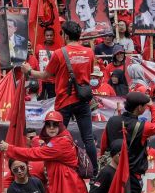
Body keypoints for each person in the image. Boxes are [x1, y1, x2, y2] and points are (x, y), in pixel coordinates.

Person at [0, 111, 88, 193]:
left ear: (61, 126)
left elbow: (36, 153)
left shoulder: (60, 142)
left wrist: (10, 148)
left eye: (55, 125)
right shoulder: (60, 138)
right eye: (48, 124)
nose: (51, 128)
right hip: (64, 185)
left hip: (66, 186)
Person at [21, 21, 98, 175]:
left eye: (62, 33)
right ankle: (93, 171)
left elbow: (45, 75)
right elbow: (88, 74)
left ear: (66, 35)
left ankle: (51, 168)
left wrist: (28, 71)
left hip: (64, 100)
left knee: (55, 136)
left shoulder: (59, 53)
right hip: (83, 100)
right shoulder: (89, 52)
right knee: (88, 138)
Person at [102, 92, 155, 193]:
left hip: (111, 172)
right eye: (145, 106)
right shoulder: (142, 126)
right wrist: (153, 107)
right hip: (131, 177)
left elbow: (104, 145)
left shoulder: (112, 121)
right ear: (139, 108)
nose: (146, 108)